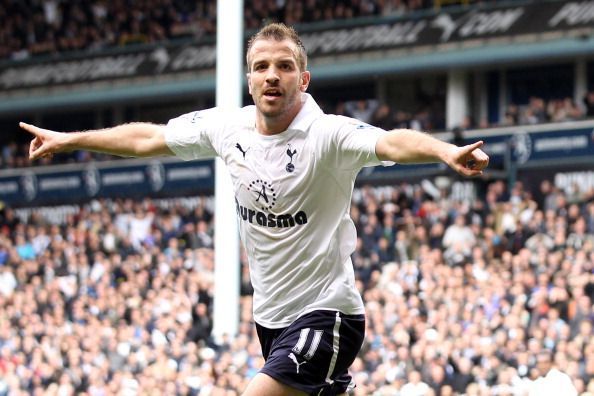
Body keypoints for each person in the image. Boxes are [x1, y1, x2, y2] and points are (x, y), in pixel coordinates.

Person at [20, 23, 488, 396]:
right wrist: (72, 140)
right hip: (270, 321)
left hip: (328, 314)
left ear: (302, 79)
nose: (271, 75)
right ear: (249, 79)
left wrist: (444, 152)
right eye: (261, 66)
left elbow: (391, 142)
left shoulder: (328, 135)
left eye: (284, 66)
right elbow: (149, 137)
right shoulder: (229, 128)